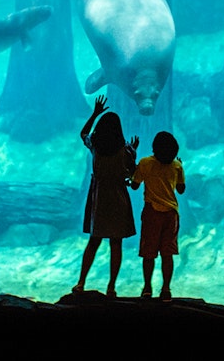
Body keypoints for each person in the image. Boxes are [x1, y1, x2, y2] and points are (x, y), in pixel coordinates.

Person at [73, 94, 138, 298]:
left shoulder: (95, 146)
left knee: (94, 241)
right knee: (116, 243)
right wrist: (133, 152)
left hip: (99, 198)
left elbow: (83, 133)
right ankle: (111, 287)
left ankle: (81, 282)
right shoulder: (125, 150)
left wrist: (94, 113)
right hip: (118, 198)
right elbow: (132, 172)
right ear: (119, 131)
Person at [130, 130, 186, 302]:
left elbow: (134, 185)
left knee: (149, 253)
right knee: (167, 254)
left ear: (154, 148)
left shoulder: (146, 163)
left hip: (152, 213)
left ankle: (147, 288)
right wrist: (179, 167)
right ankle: (166, 289)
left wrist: (133, 163)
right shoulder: (176, 165)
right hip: (171, 215)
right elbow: (181, 190)